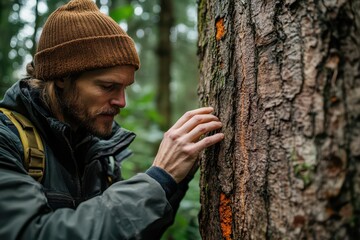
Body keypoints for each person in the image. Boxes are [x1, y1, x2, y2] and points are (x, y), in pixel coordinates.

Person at [0, 0, 224, 239]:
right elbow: (32, 233)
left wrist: (173, 180)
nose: (121, 102)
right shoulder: (7, 139)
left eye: (125, 88)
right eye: (108, 87)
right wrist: (158, 179)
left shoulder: (99, 152)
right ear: (62, 78)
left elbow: (128, 233)